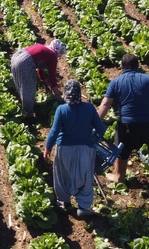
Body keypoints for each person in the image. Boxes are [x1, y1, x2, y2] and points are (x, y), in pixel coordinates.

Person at [97, 54, 149, 182]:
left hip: (128, 124)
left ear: (121, 66)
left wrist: (95, 122)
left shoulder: (116, 82)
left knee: (121, 150)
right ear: (138, 66)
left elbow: (105, 104)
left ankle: (118, 176)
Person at [43, 80, 106, 218]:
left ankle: (64, 203)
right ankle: (83, 207)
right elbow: (101, 129)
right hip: (86, 149)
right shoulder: (89, 108)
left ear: (66, 94)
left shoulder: (62, 109)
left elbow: (54, 131)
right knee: (85, 177)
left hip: (64, 150)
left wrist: (47, 148)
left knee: (62, 176)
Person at [11, 40, 66, 118]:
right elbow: (52, 76)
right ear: (58, 50)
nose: (60, 56)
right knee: (29, 89)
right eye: (60, 54)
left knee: (21, 84)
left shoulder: (45, 49)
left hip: (17, 57)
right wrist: (57, 95)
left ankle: (26, 105)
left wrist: (45, 84)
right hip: (25, 62)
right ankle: (28, 116)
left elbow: (40, 69)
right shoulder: (52, 56)